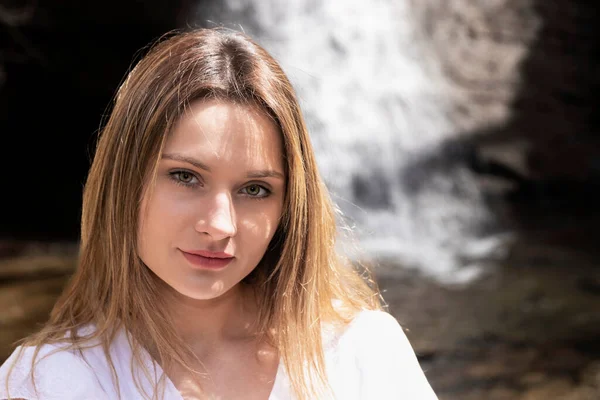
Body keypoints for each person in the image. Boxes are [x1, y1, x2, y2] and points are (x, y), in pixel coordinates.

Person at [0, 28, 438, 400]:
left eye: (255, 189)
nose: (220, 225)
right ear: (124, 178)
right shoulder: (49, 381)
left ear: (290, 208)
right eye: (186, 177)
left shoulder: (361, 353)